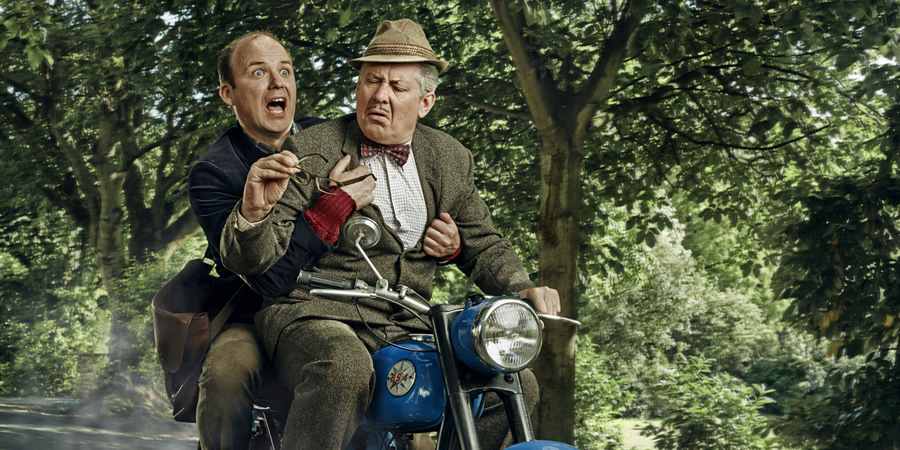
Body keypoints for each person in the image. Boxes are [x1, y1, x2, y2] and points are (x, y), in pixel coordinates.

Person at [219, 19, 560, 449]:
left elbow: (482, 241)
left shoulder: (450, 158)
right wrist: (252, 213)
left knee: (514, 381)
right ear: (358, 88)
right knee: (342, 366)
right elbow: (256, 264)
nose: (380, 95)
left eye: (397, 87)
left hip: (409, 321)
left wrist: (522, 288)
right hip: (314, 314)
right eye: (371, 81)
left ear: (425, 102)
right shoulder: (311, 148)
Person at [187, 30, 462, 449]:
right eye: (259, 72)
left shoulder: (336, 137)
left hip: (353, 305)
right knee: (227, 372)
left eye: (285, 71)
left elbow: (397, 214)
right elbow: (267, 276)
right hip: (252, 308)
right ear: (229, 93)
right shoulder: (215, 171)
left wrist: (447, 241)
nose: (278, 83)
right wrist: (330, 207)